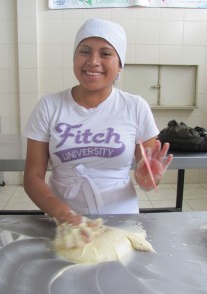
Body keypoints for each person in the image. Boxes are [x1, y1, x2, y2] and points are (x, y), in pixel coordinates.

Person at [23, 18, 173, 227]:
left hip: (121, 221)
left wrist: (149, 177)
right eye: (84, 51)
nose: (93, 61)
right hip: (62, 223)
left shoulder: (135, 107)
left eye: (105, 53)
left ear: (120, 64)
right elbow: (32, 176)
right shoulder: (49, 106)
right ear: (74, 58)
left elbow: (147, 183)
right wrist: (62, 213)